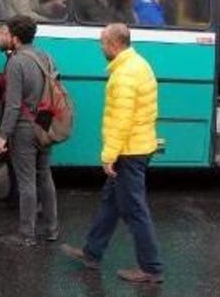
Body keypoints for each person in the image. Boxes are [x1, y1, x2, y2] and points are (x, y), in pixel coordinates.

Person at [60, 23, 163, 284]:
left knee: (134, 210)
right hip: (137, 146)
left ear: (114, 44)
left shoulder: (125, 74)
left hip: (130, 151)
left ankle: (151, 268)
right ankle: (91, 253)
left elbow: (121, 119)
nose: (100, 46)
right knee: (111, 203)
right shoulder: (137, 64)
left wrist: (109, 155)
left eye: (102, 42)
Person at [0, 15, 58, 247]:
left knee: (26, 181)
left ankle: (26, 233)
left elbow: (12, 104)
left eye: (8, 34)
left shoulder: (16, 63)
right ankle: (51, 229)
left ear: (16, 38)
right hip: (44, 123)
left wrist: (2, 136)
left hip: (23, 127)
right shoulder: (47, 57)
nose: (6, 37)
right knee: (45, 176)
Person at [0, 22, 19, 210]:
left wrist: (3, 135)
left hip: (19, 121)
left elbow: (13, 98)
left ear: (10, 36)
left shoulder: (16, 60)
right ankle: (13, 198)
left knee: (21, 165)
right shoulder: (13, 57)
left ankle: (24, 207)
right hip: (19, 119)